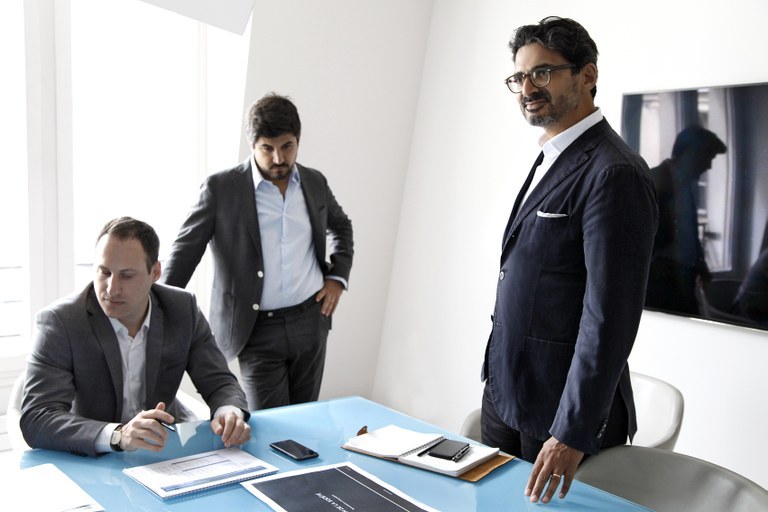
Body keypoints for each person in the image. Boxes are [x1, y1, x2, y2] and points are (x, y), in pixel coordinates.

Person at [481, 17, 658, 504]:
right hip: (507, 393)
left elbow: (609, 318)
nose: (527, 89)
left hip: (559, 415)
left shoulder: (615, 172)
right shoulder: (553, 155)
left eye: (542, 73)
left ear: (587, 75)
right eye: (519, 77)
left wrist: (571, 432)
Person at [162, 93, 354, 411]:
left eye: (287, 146)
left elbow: (341, 227)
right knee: (269, 426)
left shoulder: (314, 182)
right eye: (268, 148)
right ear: (252, 145)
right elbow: (184, 254)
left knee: (307, 419)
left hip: (311, 321)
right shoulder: (220, 189)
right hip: (255, 330)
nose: (278, 158)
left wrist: (337, 278)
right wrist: (159, 311)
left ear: (298, 140)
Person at [20, 217, 251, 456]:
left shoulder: (182, 309)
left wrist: (229, 412)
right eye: (104, 272)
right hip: (92, 456)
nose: (111, 289)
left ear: (155, 272)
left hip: (163, 452)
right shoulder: (61, 322)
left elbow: (219, 382)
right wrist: (118, 435)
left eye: (127, 275)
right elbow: (37, 417)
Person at [644, 125, 727, 315]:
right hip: (660, 285)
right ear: (690, 153)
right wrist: (652, 262)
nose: (709, 166)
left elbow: (688, 230)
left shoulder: (685, 185)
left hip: (682, 279)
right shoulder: (653, 180)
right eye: (708, 157)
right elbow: (627, 232)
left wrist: (700, 263)